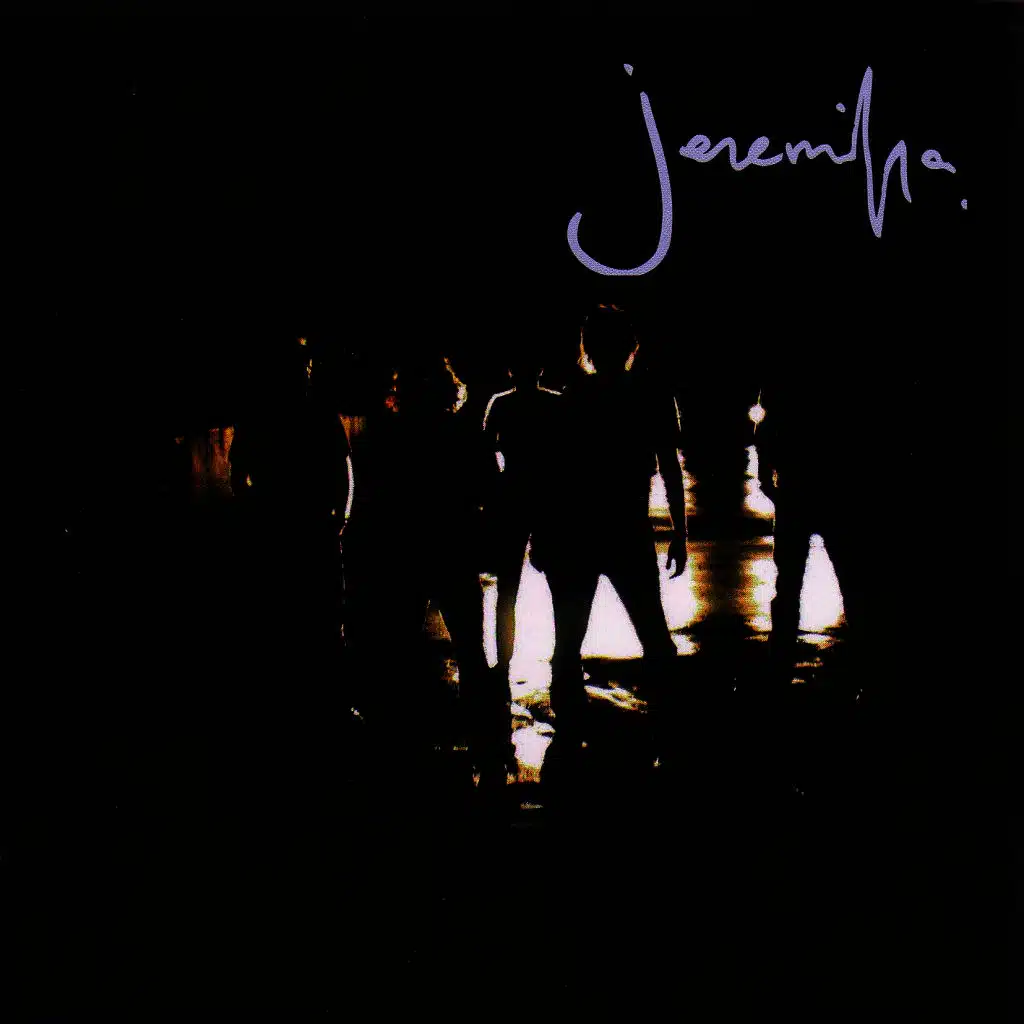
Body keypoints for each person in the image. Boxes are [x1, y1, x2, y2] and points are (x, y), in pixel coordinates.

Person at [344, 352, 512, 796]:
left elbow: (371, 501)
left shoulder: (388, 437)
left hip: (405, 554)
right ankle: (486, 747)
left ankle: (401, 748)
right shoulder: (463, 435)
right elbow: (491, 492)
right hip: (454, 550)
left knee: (399, 647)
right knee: (471, 650)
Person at [532, 305, 687, 777]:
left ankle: (565, 753)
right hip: (627, 527)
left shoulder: (574, 397)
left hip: (576, 528)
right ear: (629, 346)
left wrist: (541, 534)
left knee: (568, 640)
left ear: (589, 349)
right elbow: (670, 467)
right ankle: (672, 740)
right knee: (654, 635)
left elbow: (555, 473)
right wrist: (679, 532)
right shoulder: (653, 394)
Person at [481, 350, 562, 682]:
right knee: (559, 581)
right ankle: (563, 652)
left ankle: (504, 660)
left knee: (507, 586)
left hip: (512, 494)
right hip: (547, 497)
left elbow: (486, 451)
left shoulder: (500, 404)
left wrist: (494, 488)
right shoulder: (555, 404)